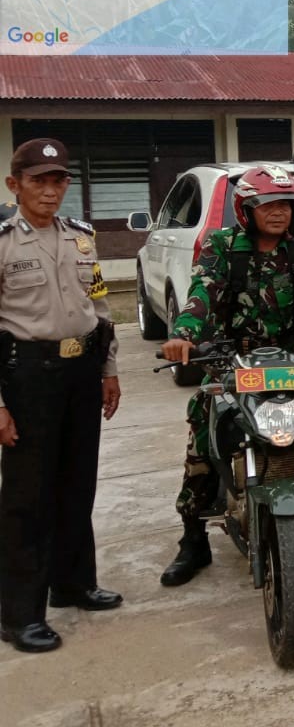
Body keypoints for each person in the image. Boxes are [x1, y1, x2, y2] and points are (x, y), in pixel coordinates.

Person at [158, 164, 294, 587]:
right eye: (267, 204)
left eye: (287, 205)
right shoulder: (220, 245)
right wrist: (183, 335)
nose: (278, 212)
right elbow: (202, 292)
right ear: (245, 208)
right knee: (205, 423)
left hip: (291, 352)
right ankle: (193, 537)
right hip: (230, 353)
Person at [0, 138, 121, 653]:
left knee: (77, 484)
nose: (50, 191)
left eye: (58, 180)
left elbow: (99, 304)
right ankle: (19, 614)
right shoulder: (2, 241)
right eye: (38, 181)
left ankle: (73, 583)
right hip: (26, 378)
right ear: (15, 185)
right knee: (27, 497)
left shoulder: (81, 238)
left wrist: (108, 367)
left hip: (80, 372)